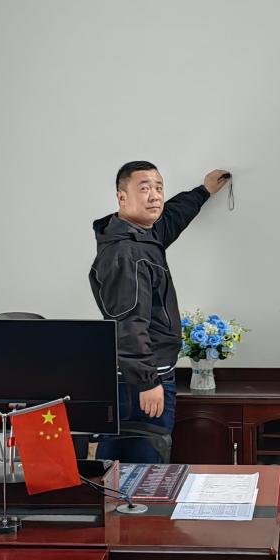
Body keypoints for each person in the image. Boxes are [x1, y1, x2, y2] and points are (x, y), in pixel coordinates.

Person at [89, 161, 230, 462]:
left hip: (145, 373)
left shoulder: (142, 236)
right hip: (138, 380)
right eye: (144, 188)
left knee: (137, 461)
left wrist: (203, 191)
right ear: (122, 197)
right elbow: (127, 324)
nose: (154, 195)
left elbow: (172, 216)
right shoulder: (126, 253)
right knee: (141, 465)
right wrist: (147, 381)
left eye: (158, 187)